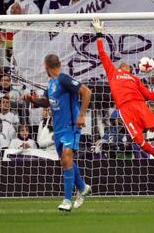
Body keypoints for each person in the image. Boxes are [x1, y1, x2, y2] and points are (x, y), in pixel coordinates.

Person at [92, 18, 154, 168]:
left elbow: (150, 97)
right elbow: (102, 54)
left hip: (140, 106)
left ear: (130, 70)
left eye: (126, 65)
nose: (123, 63)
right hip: (125, 109)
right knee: (138, 140)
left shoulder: (135, 79)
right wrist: (99, 35)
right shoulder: (113, 72)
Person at [21, 54, 92, 211]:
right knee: (66, 162)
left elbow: (87, 92)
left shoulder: (64, 78)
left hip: (71, 126)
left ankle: (67, 200)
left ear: (46, 67)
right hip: (58, 129)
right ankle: (82, 187)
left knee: (67, 157)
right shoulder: (51, 82)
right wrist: (32, 100)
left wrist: (81, 116)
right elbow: (47, 102)